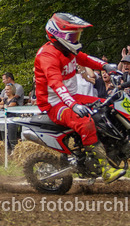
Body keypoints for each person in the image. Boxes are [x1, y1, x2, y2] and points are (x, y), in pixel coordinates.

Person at [34, 13, 124, 182]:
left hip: (72, 96)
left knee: (106, 106)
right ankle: (104, 169)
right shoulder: (47, 56)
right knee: (85, 122)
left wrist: (105, 66)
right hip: (54, 103)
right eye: (73, 35)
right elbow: (55, 83)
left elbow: (84, 58)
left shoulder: (68, 50)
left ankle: (110, 146)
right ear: (58, 35)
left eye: (77, 35)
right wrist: (73, 105)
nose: (76, 39)